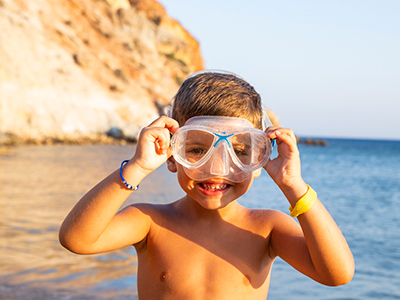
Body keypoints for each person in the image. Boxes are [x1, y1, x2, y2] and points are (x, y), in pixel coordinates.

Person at [59, 70, 354, 299]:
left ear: (260, 159)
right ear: (172, 155)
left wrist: (294, 185)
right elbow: (77, 239)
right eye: (197, 149)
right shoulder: (150, 222)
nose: (217, 168)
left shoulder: (267, 228)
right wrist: (138, 167)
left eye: (240, 152)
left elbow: (337, 274)